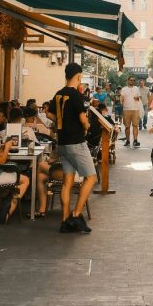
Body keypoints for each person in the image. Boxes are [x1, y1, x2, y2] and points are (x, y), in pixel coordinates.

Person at [50, 61, 97, 234]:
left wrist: (61, 121)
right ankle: (76, 215)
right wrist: (87, 127)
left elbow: (50, 113)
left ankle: (64, 220)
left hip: (62, 143)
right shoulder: (77, 96)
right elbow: (84, 121)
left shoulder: (58, 94)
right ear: (78, 76)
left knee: (67, 182)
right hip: (76, 143)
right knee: (91, 178)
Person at [120, 75, 142, 148]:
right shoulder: (124, 89)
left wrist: (137, 98)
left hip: (135, 109)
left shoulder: (136, 89)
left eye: (133, 80)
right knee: (127, 126)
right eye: (131, 80)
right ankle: (128, 140)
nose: (132, 81)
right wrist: (121, 101)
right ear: (128, 81)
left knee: (135, 125)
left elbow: (139, 97)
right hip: (126, 109)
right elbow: (121, 97)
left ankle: (135, 141)